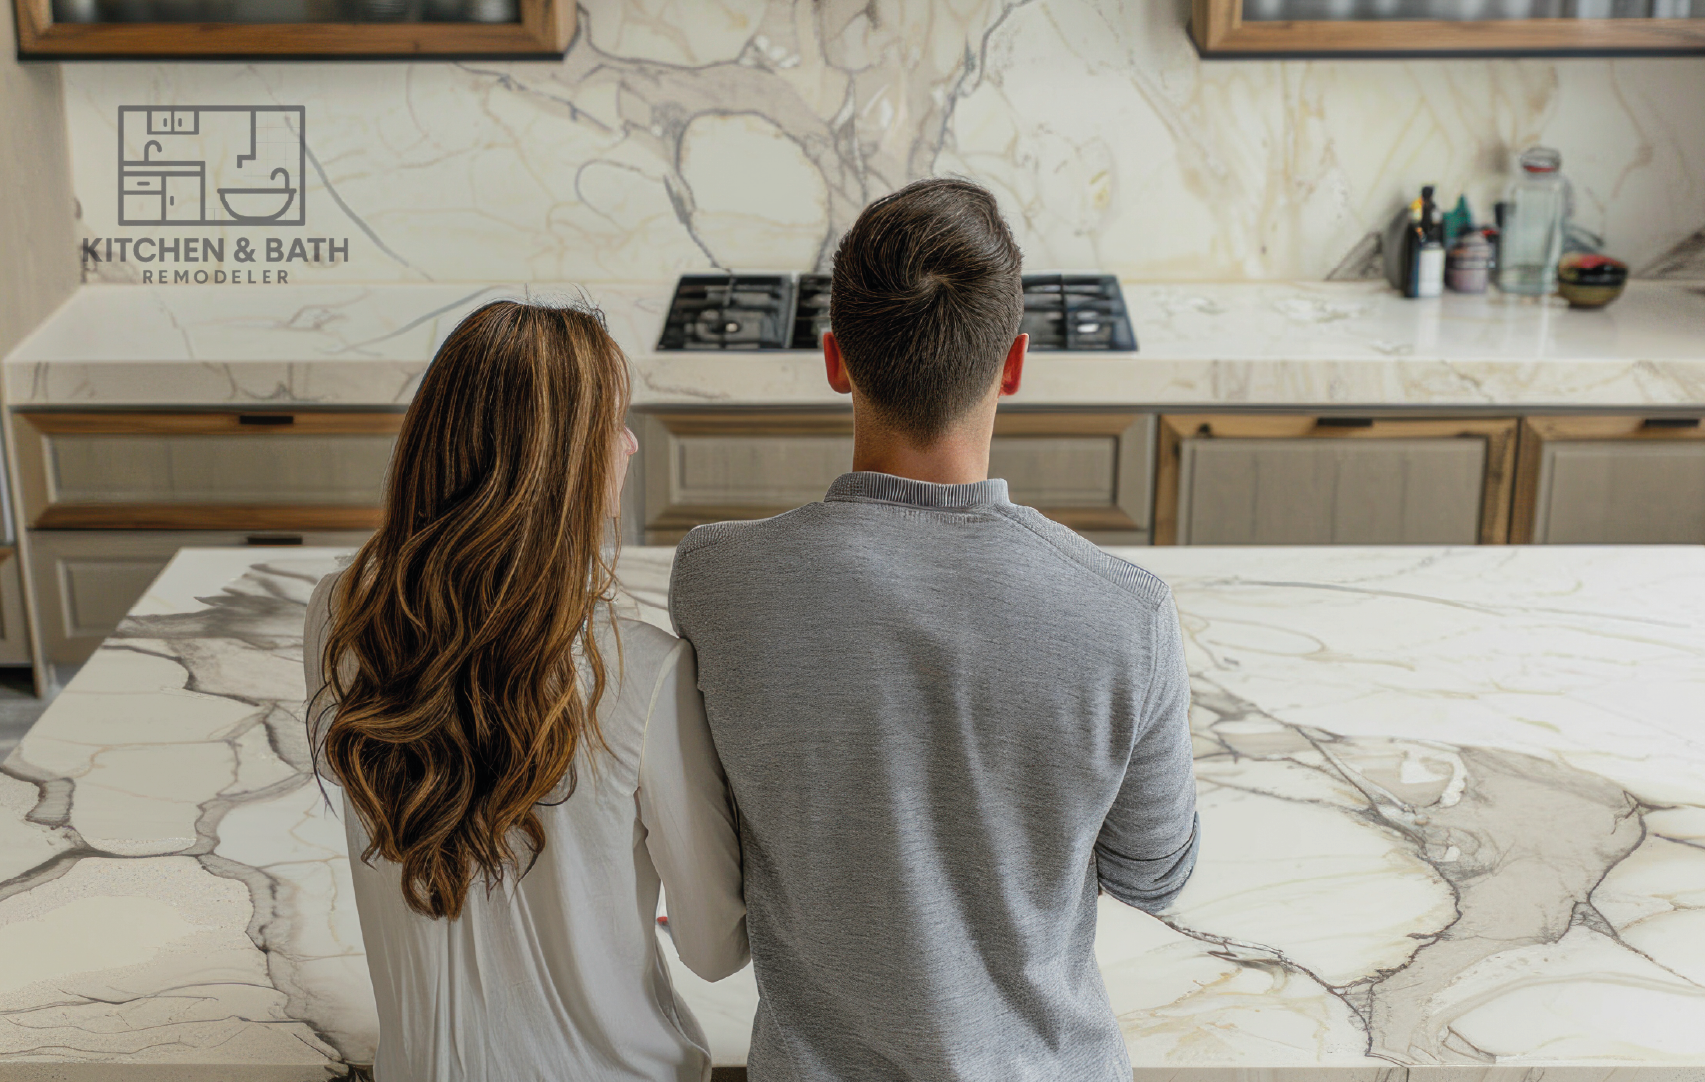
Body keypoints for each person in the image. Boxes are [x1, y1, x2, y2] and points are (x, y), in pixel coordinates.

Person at [669, 177, 1200, 1081]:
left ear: (835, 360)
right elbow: (1156, 874)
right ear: (1015, 364)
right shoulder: (1124, 612)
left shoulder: (719, 580)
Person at [303, 299, 748, 1082]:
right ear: (559, 469)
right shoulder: (643, 671)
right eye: (613, 425)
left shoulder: (341, 624)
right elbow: (715, 949)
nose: (632, 445)